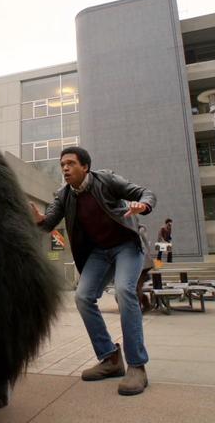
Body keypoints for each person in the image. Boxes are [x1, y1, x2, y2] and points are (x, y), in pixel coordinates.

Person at [31, 146, 156, 396]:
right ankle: (110, 359)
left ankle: (137, 366)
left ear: (85, 166)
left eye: (70, 163)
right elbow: (49, 223)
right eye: (62, 164)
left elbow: (145, 193)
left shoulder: (106, 180)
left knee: (124, 291)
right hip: (100, 253)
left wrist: (142, 205)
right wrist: (37, 220)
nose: (65, 168)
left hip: (126, 245)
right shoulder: (64, 195)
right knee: (83, 297)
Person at [136, 225, 155, 312]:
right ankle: (146, 304)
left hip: (143, 263)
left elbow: (145, 245)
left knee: (137, 287)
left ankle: (138, 309)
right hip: (139, 262)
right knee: (135, 287)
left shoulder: (140, 229)